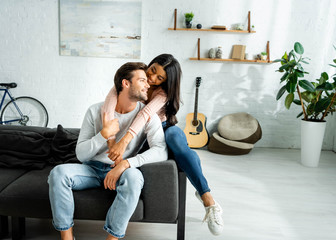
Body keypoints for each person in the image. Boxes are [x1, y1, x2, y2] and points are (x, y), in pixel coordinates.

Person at [103, 54, 224, 236]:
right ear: (150, 64)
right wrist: (112, 142)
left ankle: (208, 200)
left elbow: (145, 114)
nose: (152, 79)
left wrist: (123, 142)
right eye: (152, 71)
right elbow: (107, 108)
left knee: (176, 137)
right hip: (143, 137)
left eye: (160, 78)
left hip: (164, 129)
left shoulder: (162, 93)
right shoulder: (132, 77)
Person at [48, 62, 168, 240]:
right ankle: (67, 238)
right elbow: (81, 154)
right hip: (91, 169)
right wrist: (103, 135)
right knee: (58, 173)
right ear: (126, 83)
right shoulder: (95, 110)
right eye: (142, 80)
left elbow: (161, 150)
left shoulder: (147, 116)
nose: (148, 85)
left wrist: (127, 163)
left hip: (121, 171)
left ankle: (112, 238)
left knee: (135, 178)